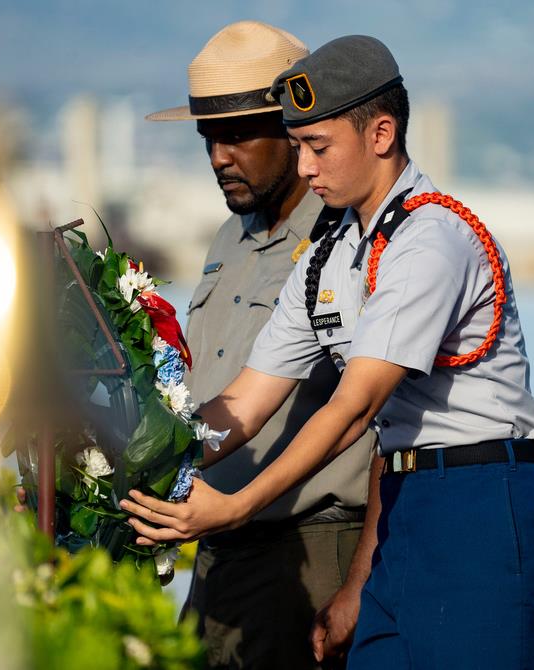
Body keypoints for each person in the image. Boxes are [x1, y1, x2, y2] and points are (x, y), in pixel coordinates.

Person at [123, 34, 534, 669]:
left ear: (381, 135)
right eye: (299, 145)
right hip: (404, 505)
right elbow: (245, 402)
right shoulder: (331, 257)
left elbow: (356, 408)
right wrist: (135, 457)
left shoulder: (430, 239)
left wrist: (235, 506)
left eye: (318, 146)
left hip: (484, 502)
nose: (305, 167)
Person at [145, 21, 374, 669]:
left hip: (308, 550)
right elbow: (209, 394)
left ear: (296, 131)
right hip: (216, 546)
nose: (219, 155)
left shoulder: (346, 239)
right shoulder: (227, 237)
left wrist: (356, 582)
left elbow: (376, 413)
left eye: (238, 134)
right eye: (208, 137)